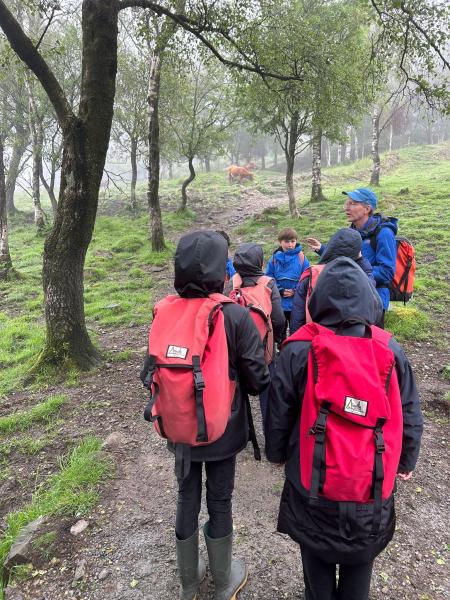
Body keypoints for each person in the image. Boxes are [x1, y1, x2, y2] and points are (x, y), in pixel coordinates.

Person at [265, 257, 423, 600]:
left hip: (312, 484)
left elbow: (278, 410)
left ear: (319, 299)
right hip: (370, 483)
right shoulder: (389, 348)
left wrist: (276, 454)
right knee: (360, 562)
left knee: (316, 561)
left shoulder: (299, 348)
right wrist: (407, 459)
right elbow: (409, 408)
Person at [141, 231, 269, 600]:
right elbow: (257, 381)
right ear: (220, 270)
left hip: (178, 426)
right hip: (223, 430)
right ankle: (224, 581)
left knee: (186, 496)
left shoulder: (164, 312)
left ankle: (188, 583)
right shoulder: (234, 315)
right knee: (220, 500)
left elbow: (150, 372)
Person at [307, 188, 397, 328]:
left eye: (353, 203)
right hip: (350, 297)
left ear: (367, 209)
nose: (346, 207)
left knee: (369, 340)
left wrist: (354, 274)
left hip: (374, 300)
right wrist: (323, 250)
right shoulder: (352, 231)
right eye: (347, 203)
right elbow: (346, 257)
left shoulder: (384, 233)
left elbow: (387, 272)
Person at [231, 242, 285, 426]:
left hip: (236, 350)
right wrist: (278, 339)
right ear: (259, 263)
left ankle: (241, 432)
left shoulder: (231, 284)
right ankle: (271, 435)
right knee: (268, 393)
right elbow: (278, 319)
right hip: (263, 350)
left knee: (235, 392)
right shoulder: (268, 283)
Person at [290, 228, 376, 333]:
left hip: (317, 336)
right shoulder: (362, 276)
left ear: (331, 246)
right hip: (354, 336)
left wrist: (296, 337)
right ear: (357, 252)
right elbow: (373, 294)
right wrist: (360, 259)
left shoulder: (311, 275)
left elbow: (298, 313)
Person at [266, 227, 310, 340]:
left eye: (293, 241)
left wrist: (295, 291)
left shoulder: (302, 258)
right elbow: (269, 277)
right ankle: (280, 346)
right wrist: (280, 290)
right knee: (279, 330)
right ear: (280, 242)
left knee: (297, 330)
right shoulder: (274, 259)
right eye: (286, 241)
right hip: (278, 301)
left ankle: (294, 347)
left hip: (297, 302)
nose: (290, 244)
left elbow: (306, 277)